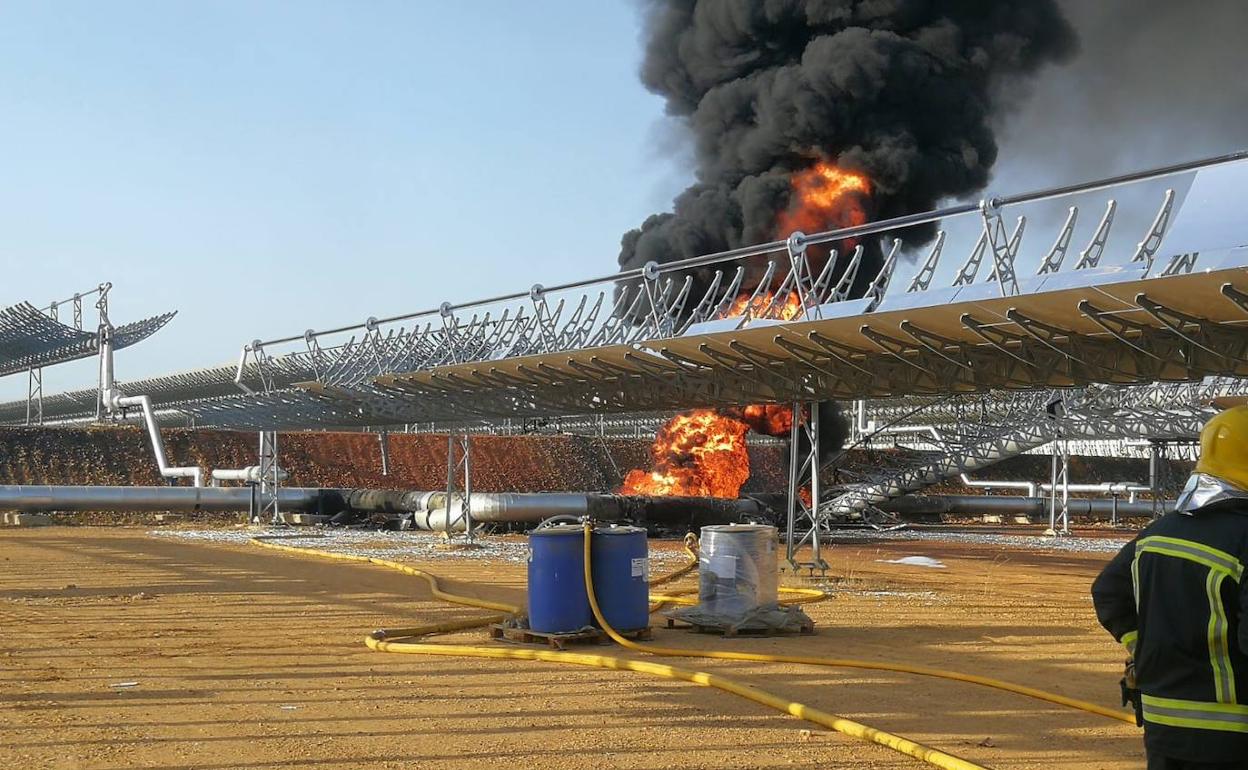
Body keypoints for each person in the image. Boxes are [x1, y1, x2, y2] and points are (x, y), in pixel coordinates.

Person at [1093, 405, 1248, 769]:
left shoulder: (1157, 534)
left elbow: (1108, 593)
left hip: (1164, 729)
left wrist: (1141, 647)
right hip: (1233, 739)